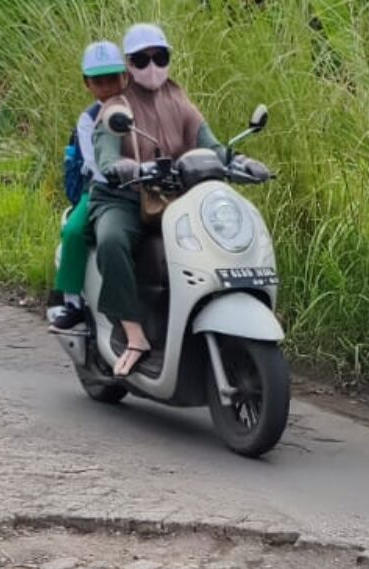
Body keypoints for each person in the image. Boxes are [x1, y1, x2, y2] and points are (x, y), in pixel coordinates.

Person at [88, 23, 258, 376]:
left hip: (172, 198)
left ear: (169, 58)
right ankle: (134, 335)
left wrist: (240, 161)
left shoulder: (180, 101)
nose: (152, 66)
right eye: (141, 58)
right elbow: (105, 153)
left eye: (159, 56)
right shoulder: (117, 107)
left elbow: (211, 145)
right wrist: (121, 166)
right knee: (111, 240)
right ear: (129, 65)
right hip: (123, 198)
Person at [47, 41, 125, 331]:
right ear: (87, 84)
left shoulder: (140, 109)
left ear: (125, 78)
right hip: (101, 189)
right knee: (75, 230)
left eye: (113, 79)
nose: (107, 88)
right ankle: (72, 302)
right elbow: (94, 163)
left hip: (145, 186)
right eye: (99, 81)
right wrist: (118, 175)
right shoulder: (88, 119)